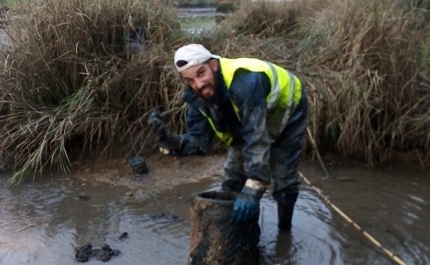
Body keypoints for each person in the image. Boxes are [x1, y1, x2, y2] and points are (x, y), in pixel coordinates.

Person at [147, 44, 308, 230]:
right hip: (248, 117)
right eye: (190, 80)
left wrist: (251, 192)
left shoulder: (245, 82)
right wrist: (170, 142)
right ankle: (234, 230)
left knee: (284, 175)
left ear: (213, 66)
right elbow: (200, 142)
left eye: (201, 74)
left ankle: (284, 231)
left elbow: (257, 141)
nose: (198, 85)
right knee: (232, 175)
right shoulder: (198, 98)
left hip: (286, 106)